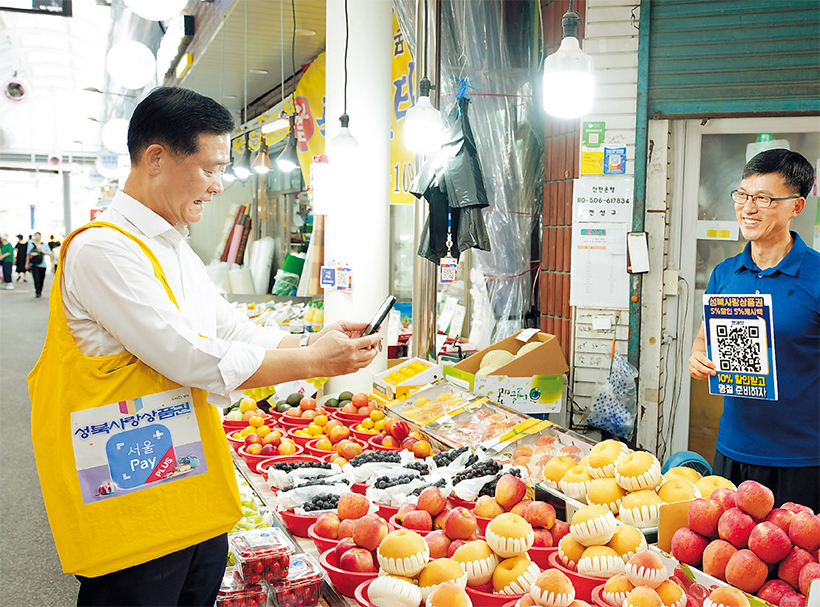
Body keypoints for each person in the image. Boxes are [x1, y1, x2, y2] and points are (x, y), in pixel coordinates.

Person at [29, 86, 381, 607]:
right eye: (211, 168)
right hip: (131, 510)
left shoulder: (173, 247)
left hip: (189, 494)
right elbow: (189, 356)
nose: (219, 186)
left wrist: (313, 340)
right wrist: (311, 361)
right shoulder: (102, 249)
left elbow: (231, 329)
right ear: (156, 159)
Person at [689, 148, 819, 513]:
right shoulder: (725, 274)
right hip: (734, 450)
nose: (748, 208)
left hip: (804, 461)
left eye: (764, 198)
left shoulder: (817, 276)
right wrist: (698, 359)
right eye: (743, 195)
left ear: (796, 206)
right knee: (729, 564)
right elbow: (703, 342)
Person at [25, 231, 53, 298]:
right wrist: (27, 264)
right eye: (36, 235)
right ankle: (37, 291)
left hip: (42, 265)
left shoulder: (44, 245)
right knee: (36, 278)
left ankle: (40, 289)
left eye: (38, 236)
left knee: (41, 279)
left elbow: (50, 254)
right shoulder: (31, 245)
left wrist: (42, 251)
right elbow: (28, 255)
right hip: (34, 265)